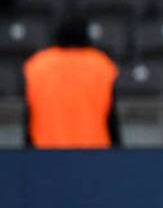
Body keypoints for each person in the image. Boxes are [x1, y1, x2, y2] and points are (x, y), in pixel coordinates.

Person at [24, 17, 121, 149]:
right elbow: (112, 120)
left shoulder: (36, 65)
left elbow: (29, 119)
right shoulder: (102, 65)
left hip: (45, 155)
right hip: (95, 153)